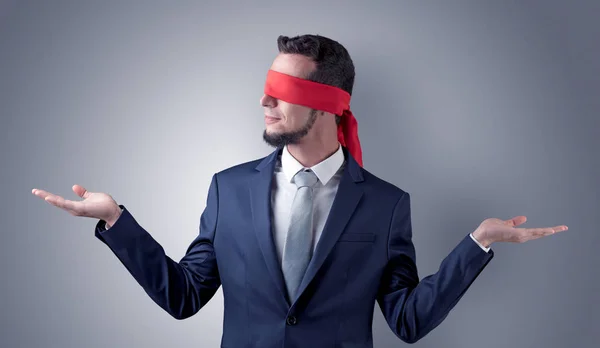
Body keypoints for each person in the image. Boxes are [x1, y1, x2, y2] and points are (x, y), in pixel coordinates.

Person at [32, 34, 568, 347]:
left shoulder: (385, 205)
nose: (265, 103)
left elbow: (407, 320)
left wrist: (477, 245)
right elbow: (183, 296)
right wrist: (116, 221)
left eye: (282, 93)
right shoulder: (228, 189)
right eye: (266, 89)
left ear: (327, 103)